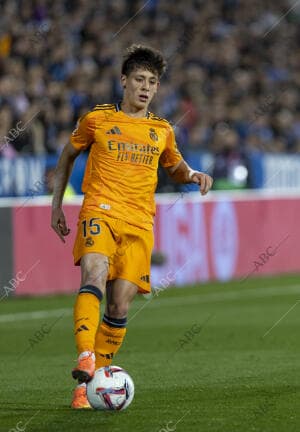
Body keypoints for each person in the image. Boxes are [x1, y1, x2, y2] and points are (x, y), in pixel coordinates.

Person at [51, 44, 213, 409]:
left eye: (152, 82)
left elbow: (176, 166)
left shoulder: (162, 130)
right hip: (100, 211)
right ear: (123, 81)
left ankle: (86, 388)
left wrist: (194, 174)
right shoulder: (97, 119)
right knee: (93, 273)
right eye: (139, 79)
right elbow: (67, 154)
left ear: (157, 88)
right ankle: (85, 359)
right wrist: (56, 206)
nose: (145, 87)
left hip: (139, 223)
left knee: (120, 307)